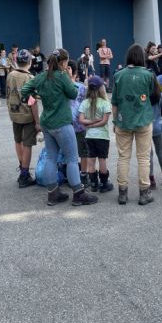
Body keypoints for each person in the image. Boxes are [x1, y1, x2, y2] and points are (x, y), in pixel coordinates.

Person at [21, 48, 98, 206]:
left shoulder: (41, 77)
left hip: (46, 123)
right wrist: (69, 79)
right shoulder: (62, 76)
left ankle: (53, 193)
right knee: (72, 159)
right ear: (63, 62)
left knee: (51, 157)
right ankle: (78, 193)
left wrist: (37, 95)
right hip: (62, 123)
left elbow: (24, 90)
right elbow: (73, 94)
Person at [111, 44, 156, 205]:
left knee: (123, 157)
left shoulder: (118, 75)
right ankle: (144, 192)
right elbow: (153, 96)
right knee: (143, 158)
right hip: (143, 120)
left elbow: (114, 102)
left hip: (123, 121)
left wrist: (115, 121)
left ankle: (122, 193)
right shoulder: (148, 75)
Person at [6, 49, 39, 188]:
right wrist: (37, 121)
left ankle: (22, 167)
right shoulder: (29, 78)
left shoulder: (10, 75)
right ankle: (24, 175)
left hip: (14, 113)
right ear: (29, 62)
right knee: (27, 144)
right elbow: (32, 102)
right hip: (27, 115)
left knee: (18, 140)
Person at [79, 76, 113, 193]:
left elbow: (81, 120)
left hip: (89, 136)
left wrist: (90, 124)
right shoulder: (105, 103)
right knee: (102, 159)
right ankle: (104, 184)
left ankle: (93, 183)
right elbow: (104, 121)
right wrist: (95, 122)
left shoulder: (84, 102)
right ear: (101, 88)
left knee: (91, 160)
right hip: (102, 136)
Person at [66, 60, 89, 186]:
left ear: (74, 72)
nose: (66, 71)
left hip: (78, 125)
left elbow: (86, 105)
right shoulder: (62, 86)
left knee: (82, 151)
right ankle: (73, 176)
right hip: (68, 125)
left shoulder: (81, 88)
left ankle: (83, 174)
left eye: (68, 68)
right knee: (71, 153)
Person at [149, 77, 162, 188]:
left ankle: (151, 178)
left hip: (146, 127)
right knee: (160, 151)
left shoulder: (144, 96)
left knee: (149, 154)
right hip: (157, 126)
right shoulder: (160, 96)